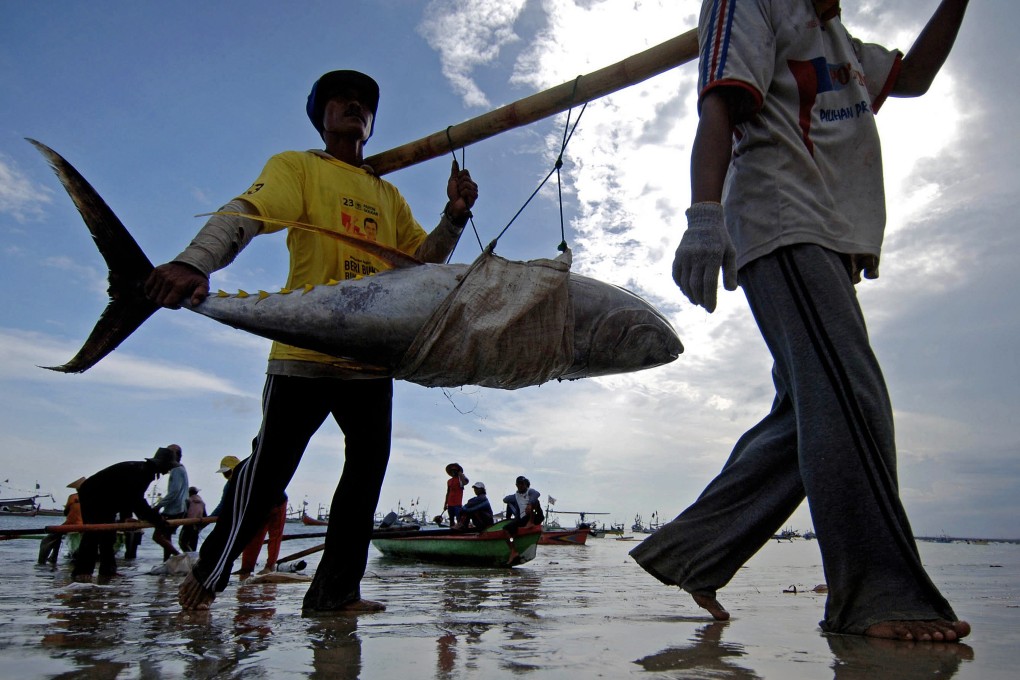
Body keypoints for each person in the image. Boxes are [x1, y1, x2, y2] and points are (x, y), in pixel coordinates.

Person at [629, 0, 972, 642]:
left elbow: (916, 76)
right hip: (782, 218)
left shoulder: (838, 40)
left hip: (829, 239)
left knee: (812, 408)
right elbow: (718, 105)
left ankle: (695, 552)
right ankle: (875, 594)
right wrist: (704, 215)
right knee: (851, 397)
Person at [145, 68, 478, 612]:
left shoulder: (386, 193)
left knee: (365, 478)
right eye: (340, 100)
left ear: (372, 123)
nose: (354, 107)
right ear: (321, 117)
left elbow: (422, 261)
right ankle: (209, 572)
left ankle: (335, 594)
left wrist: (455, 215)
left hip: (370, 357)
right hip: (304, 350)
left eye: (364, 103)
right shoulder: (296, 167)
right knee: (268, 474)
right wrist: (194, 260)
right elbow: (248, 213)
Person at [71, 447, 178, 583]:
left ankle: (108, 571)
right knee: (93, 533)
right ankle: (82, 572)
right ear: (161, 465)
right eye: (168, 467)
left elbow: (127, 496)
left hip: (108, 499)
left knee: (109, 536)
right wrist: (157, 520)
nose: (168, 471)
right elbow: (137, 501)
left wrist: (126, 517)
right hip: (93, 496)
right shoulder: (142, 472)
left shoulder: (143, 471)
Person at [236, 492, 288, 577]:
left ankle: (270, 566)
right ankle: (246, 568)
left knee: (275, 536)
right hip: (260, 504)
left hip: (277, 502)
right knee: (254, 536)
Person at [152, 444, 189, 560]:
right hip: (180, 508)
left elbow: (174, 492)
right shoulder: (182, 468)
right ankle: (167, 561)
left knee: (157, 536)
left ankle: (179, 557)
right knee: (166, 537)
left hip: (173, 509)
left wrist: (158, 506)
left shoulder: (176, 470)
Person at [37, 477, 84, 565]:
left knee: (47, 540)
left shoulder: (72, 497)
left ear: (77, 488)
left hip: (72, 525)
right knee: (57, 536)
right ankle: (53, 557)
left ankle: (48, 559)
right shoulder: (94, 497)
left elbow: (66, 512)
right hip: (88, 525)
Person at [178, 486, 207, 553]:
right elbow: (205, 515)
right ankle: (192, 559)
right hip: (197, 525)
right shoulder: (202, 503)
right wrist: (200, 527)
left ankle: (190, 557)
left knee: (182, 542)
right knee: (193, 545)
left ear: (189, 493)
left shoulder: (188, 500)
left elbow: (184, 512)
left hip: (188, 524)